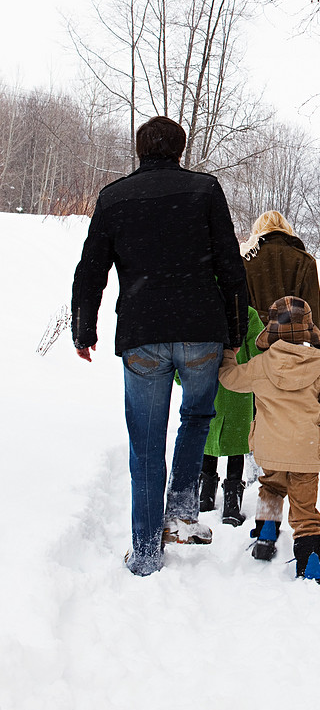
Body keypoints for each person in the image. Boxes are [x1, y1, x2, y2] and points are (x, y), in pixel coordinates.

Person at [71, 115, 248, 577]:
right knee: (197, 417)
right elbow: (231, 265)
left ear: (139, 149)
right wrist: (235, 333)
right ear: (180, 149)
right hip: (201, 330)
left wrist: (82, 329)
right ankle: (181, 509)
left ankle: (147, 552)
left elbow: (91, 270)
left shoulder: (114, 198)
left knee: (146, 444)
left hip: (142, 334)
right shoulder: (205, 190)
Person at [217, 296, 320, 582]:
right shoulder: (319, 367)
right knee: (304, 508)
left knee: (271, 486)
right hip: (305, 453)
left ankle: (267, 531)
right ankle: (310, 559)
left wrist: (227, 353)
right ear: (307, 331)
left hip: (269, 449)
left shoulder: (261, 365)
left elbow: (230, 379)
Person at [199, 304, 264, 525]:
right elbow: (258, 351)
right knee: (237, 444)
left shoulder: (199, 307)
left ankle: (205, 499)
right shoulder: (245, 313)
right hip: (239, 388)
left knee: (208, 441)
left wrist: (183, 378)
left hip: (206, 384)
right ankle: (231, 507)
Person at [241, 211, 320, 358]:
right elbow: (313, 309)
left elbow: (241, 306)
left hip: (256, 338)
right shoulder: (304, 260)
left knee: (257, 378)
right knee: (290, 377)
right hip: (292, 339)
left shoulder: (247, 260)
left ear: (258, 229)